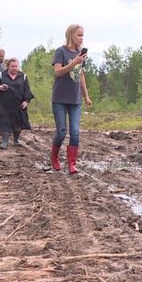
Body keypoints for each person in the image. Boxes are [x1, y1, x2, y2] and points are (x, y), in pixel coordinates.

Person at [50, 24, 92, 174]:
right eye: (79, 35)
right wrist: (74, 62)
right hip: (60, 98)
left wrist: (86, 95)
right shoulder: (60, 52)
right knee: (61, 132)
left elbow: (80, 75)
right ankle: (54, 158)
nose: (81, 38)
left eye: (82, 35)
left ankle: (72, 164)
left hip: (75, 99)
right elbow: (58, 72)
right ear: (70, 35)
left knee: (75, 132)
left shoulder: (81, 54)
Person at [0, 58, 34, 149]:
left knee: (18, 123)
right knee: (4, 123)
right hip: (4, 105)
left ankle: (16, 140)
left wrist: (26, 101)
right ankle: (4, 142)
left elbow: (27, 90)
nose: (14, 68)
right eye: (12, 66)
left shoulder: (23, 76)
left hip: (18, 104)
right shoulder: (1, 76)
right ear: (8, 66)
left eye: (16, 66)